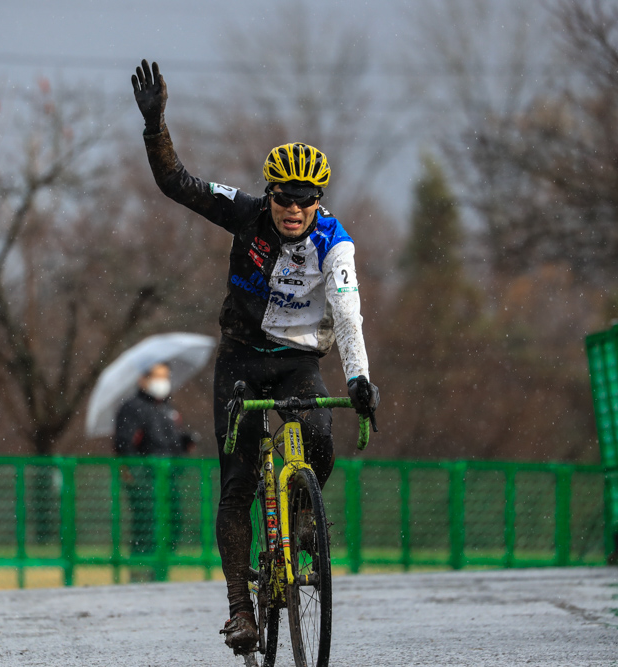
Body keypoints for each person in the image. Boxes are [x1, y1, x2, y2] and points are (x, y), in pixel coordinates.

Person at [132, 60, 380, 653]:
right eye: (283, 200)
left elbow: (347, 313)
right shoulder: (245, 215)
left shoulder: (334, 243)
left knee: (320, 441)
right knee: (238, 483)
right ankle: (241, 607)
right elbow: (178, 184)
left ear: (318, 201)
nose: (293, 211)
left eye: (304, 202)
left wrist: (360, 377)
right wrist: (155, 125)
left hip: (298, 360)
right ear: (269, 194)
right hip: (242, 359)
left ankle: (298, 522)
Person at [114, 362, 197, 582]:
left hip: (168, 479)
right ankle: (140, 574)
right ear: (143, 379)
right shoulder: (132, 407)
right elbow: (125, 444)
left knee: (173, 523)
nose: (163, 381)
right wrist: (136, 474)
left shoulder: (168, 409)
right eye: (157, 376)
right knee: (146, 525)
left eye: (166, 376)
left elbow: (169, 445)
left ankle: (161, 572)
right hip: (145, 480)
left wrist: (184, 444)